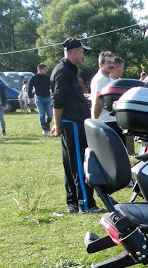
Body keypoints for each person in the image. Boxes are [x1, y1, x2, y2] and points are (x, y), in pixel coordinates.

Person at [50, 37, 102, 214]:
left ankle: (73, 202)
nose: (83, 55)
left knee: (71, 163)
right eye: (82, 52)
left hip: (72, 122)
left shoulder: (68, 71)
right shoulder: (63, 71)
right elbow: (58, 100)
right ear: (74, 52)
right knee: (79, 164)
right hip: (72, 123)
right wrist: (57, 124)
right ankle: (85, 204)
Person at [90, 51, 116, 124]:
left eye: (113, 63)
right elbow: (98, 102)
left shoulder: (107, 78)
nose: (112, 65)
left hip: (109, 120)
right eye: (109, 63)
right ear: (101, 64)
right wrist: (94, 122)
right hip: (105, 121)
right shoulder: (101, 79)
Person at [28, 64, 53, 135]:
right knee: (42, 114)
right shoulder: (34, 78)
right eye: (44, 69)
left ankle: (47, 124)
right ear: (39, 69)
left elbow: (52, 86)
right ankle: (44, 128)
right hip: (39, 98)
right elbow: (29, 88)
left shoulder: (47, 78)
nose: (46, 70)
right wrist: (30, 98)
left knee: (50, 114)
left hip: (47, 98)